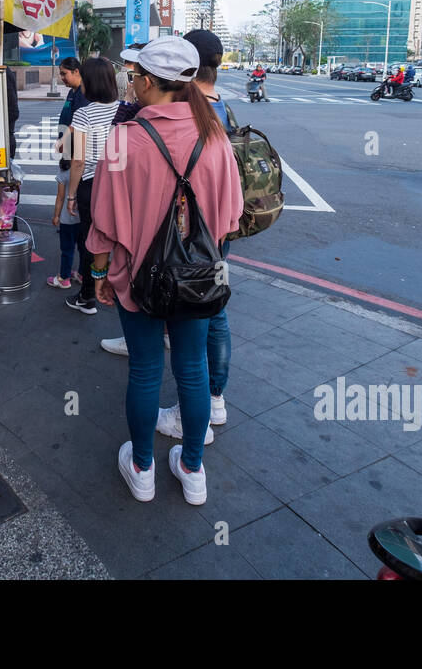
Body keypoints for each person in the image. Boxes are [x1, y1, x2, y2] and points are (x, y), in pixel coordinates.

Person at [86, 37, 242, 506]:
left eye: (133, 77)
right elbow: (231, 217)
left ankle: (142, 468)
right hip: (197, 280)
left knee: (146, 371)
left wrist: (98, 274)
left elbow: (104, 221)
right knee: (192, 371)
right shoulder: (214, 136)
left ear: (149, 82)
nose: (130, 84)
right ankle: (193, 470)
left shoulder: (122, 138)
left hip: (136, 278)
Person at [63, 57, 120, 315]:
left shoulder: (84, 113)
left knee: (91, 240)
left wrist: (71, 195)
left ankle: (87, 297)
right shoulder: (125, 109)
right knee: (118, 237)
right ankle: (119, 289)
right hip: (120, 182)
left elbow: (78, 160)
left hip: (93, 185)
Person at [47, 158, 80, 289]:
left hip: (68, 219)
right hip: (83, 218)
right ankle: (81, 274)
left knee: (67, 249)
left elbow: (60, 197)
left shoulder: (64, 172)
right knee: (83, 248)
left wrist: (56, 215)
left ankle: (64, 278)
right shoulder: (85, 168)